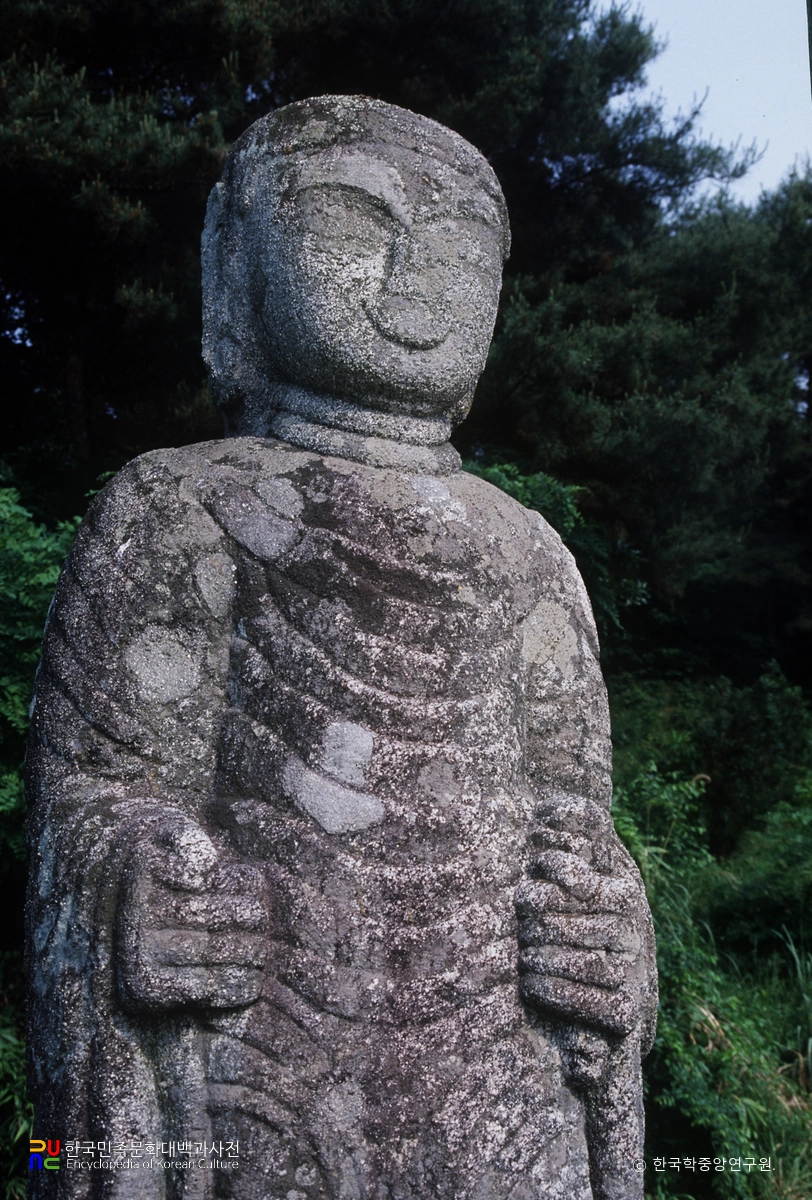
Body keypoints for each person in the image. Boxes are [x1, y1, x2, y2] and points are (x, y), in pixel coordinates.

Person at [27, 95, 656, 1200]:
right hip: (257, 1062)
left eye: (460, 242)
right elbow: (91, 797)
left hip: (499, 1080)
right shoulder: (177, 509)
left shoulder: (529, 553)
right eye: (352, 220)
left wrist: (609, 935)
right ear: (236, 261)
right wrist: (135, 878)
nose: (414, 268)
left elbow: (577, 821)